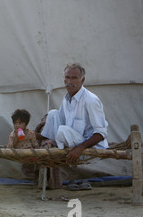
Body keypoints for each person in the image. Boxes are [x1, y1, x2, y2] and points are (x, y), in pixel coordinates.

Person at [40, 62, 109, 191]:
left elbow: (101, 133)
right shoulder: (66, 99)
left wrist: (79, 148)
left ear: (82, 80)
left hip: (88, 146)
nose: (69, 81)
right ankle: (48, 143)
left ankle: (73, 171)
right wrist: (35, 136)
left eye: (74, 78)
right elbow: (59, 121)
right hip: (71, 139)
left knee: (62, 130)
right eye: (67, 77)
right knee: (53, 113)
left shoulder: (90, 100)